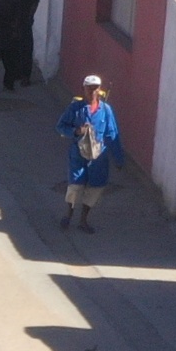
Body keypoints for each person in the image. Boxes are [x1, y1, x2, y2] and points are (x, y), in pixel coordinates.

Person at [58, 75, 122, 233]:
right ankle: (69, 214)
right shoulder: (75, 108)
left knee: (96, 186)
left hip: (98, 155)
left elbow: (112, 134)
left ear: (99, 90)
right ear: (84, 89)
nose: (93, 91)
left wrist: (118, 157)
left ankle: (83, 220)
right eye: (89, 88)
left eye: (95, 88)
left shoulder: (106, 110)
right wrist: (76, 131)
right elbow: (60, 126)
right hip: (79, 152)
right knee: (75, 185)